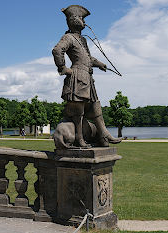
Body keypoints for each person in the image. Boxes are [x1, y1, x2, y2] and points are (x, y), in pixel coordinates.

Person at [52, 5, 121, 148]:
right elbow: (57, 50)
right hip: (77, 77)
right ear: (74, 20)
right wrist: (63, 68)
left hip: (87, 78)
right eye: (82, 18)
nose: (84, 22)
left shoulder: (82, 40)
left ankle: (103, 134)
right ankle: (79, 139)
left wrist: (100, 64)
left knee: (96, 106)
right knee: (78, 111)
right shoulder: (68, 37)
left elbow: (88, 58)